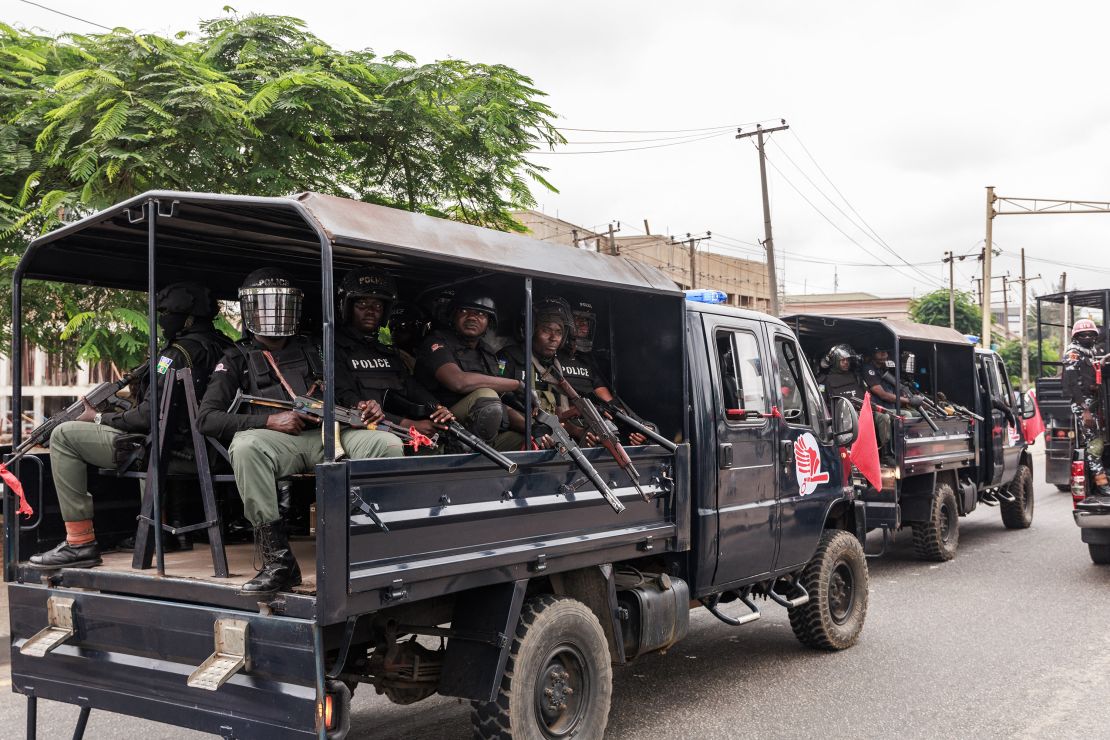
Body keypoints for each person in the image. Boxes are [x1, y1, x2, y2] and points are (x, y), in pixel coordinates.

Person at [197, 268, 403, 595]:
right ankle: (279, 562)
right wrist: (268, 422)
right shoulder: (234, 359)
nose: (274, 314)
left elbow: (343, 393)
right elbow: (206, 419)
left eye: (281, 305)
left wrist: (365, 406)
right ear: (250, 309)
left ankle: (372, 549)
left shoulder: (314, 349)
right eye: (265, 306)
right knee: (246, 447)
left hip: (328, 434)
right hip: (278, 443)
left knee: (387, 443)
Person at [29, 282, 232, 569]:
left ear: (187, 317)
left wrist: (98, 417)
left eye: (166, 312)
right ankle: (159, 533)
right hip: (217, 452)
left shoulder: (173, 355)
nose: (161, 319)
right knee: (150, 440)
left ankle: (79, 544)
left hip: (177, 453)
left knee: (63, 435)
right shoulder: (227, 347)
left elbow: (149, 417)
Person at [334, 268, 454, 439]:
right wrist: (406, 424)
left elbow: (411, 387)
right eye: (362, 304)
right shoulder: (333, 348)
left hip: (400, 430)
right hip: (362, 434)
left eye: (377, 305)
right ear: (347, 307)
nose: (370, 311)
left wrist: (436, 408)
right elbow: (345, 399)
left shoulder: (387, 353)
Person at [414, 290, 524, 451]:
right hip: (442, 427)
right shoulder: (437, 342)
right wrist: (517, 385)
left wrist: (534, 428)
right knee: (486, 396)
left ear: (489, 322)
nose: (472, 317)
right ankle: (459, 452)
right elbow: (458, 382)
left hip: (479, 435)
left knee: (525, 439)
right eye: (464, 311)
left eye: (481, 313)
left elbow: (500, 403)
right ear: (453, 316)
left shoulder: (487, 353)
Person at [556, 293, 651, 445]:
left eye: (587, 321)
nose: (584, 325)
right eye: (579, 319)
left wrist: (640, 426)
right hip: (568, 429)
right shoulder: (553, 359)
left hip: (595, 425)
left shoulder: (587, 361)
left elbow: (610, 404)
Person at [1062, 318, 1110, 501]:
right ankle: (1102, 485)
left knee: (1099, 440)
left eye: (1091, 334)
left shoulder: (1089, 352)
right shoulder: (1073, 353)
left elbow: (1090, 371)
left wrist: (1103, 360)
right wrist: (1085, 410)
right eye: (1083, 334)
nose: (1088, 337)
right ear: (1076, 336)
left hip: (1093, 403)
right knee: (1094, 444)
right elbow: (1072, 383)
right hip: (1084, 405)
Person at [861, 345, 922, 467]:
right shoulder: (868, 369)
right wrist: (908, 401)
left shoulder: (884, 370)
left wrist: (910, 396)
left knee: (917, 415)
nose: (884, 354)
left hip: (891, 406)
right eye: (880, 352)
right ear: (873, 353)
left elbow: (894, 390)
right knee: (906, 415)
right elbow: (882, 394)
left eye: (885, 352)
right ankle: (888, 453)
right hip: (879, 408)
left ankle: (911, 447)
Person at [387, 301, 430, 374]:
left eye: (402, 327)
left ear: (417, 329)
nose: (394, 332)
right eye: (391, 326)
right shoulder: (385, 354)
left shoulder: (431, 356)